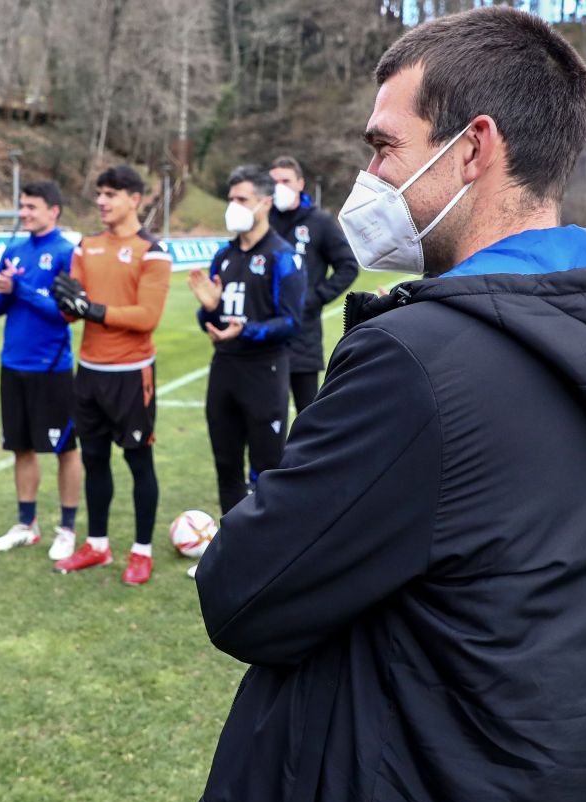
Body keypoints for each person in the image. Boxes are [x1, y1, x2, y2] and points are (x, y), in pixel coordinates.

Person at [159, 10, 586, 802]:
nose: (368, 175)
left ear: (472, 148)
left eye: (384, 146)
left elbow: (244, 597)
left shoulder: (422, 359)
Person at [51, 165, 171, 586]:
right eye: (99, 194)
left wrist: (93, 311)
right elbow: (73, 311)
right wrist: (64, 302)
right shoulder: (86, 246)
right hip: (88, 373)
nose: (101, 201)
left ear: (134, 199)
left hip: (130, 375)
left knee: (139, 461)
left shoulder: (152, 252)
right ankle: (97, 545)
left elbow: (146, 317)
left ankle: (141, 551)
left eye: (111, 194)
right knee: (94, 459)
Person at [190, 165, 304, 529]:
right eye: (230, 199)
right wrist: (208, 311)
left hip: (264, 373)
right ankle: (231, 551)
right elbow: (210, 320)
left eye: (242, 199)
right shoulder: (224, 256)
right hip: (223, 370)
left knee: (267, 473)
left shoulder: (282, 256)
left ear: (265, 203)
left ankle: (268, 556)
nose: (233, 207)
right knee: (226, 467)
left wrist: (244, 331)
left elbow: (290, 323)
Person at [0, 180, 81, 560]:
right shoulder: (15, 248)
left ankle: (67, 528)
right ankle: (27, 525)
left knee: (64, 449)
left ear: (53, 210)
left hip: (51, 366)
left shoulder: (65, 253)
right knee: (21, 447)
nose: (24, 213)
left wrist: (18, 289)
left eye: (31, 207)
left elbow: (64, 313)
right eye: (22, 206)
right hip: (13, 364)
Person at [267, 156, 358, 413]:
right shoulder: (263, 221)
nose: (279, 187)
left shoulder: (319, 222)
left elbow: (348, 266)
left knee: (307, 416)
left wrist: (314, 298)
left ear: (300, 184)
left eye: (285, 180)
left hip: (303, 337)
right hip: (266, 336)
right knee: (268, 415)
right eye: (273, 182)